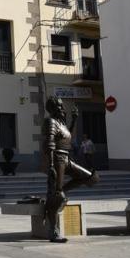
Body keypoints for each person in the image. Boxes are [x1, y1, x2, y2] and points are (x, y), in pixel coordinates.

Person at [42, 97, 100, 243]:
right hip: (57, 159)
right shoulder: (51, 122)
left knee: (92, 178)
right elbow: (49, 143)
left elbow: (67, 135)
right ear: (52, 108)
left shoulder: (61, 123)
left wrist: (74, 120)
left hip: (67, 158)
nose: (62, 108)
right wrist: (51, 166)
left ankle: (59, 191)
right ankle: (53, 231)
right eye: (59, 106)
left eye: (62, 106)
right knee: (58, 197)